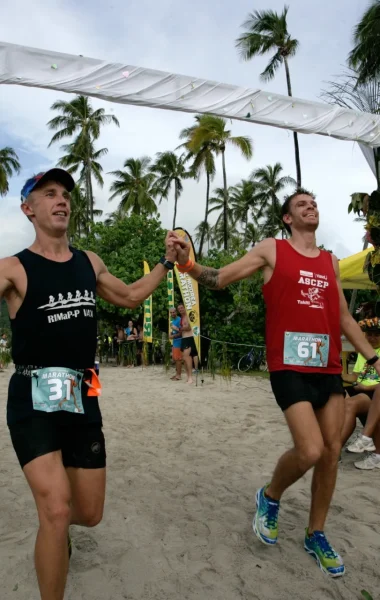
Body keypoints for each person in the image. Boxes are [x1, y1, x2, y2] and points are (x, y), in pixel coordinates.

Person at [169, 189, 380, 577]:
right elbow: (221, 278)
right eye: (301, 204)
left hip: (328, 367)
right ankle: (270, 496)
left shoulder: (331, 262)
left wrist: (375, 359)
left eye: (314, 202)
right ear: (287, 218)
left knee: (332, 452)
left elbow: (345, 319)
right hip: (288, 367)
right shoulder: (272, 250)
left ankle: (316, 533)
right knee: (312, 449)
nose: (310, 206)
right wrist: (188, 265)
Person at [0, 168, 177, 600]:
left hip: (83, 395)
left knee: (89, 513)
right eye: (49, 194)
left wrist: (167, 263)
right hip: (32, 398)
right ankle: (53, 532)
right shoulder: (14, 269)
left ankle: (58, 533)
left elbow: (132, 296)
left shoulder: (89, 262)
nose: (61, 200)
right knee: (57, 510)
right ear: (29, 208)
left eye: (65, 195)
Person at [341, 326, 380, 455]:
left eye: (376, 335)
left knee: (351, 404)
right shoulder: (364, 353)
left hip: (374, 393)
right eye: (369, 335)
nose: (372, 338)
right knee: (336, 396)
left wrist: (365, 387)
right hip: (362, 391)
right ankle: (332, 446)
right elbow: (355, 377)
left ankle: (333, 450)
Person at [178, 303, 199, 384]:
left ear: (185, 307)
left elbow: (189, 327)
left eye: (181, 308)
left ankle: (190, 377)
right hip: (184, 338)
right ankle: (188, 376)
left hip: (189, 338)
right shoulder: (182, 318)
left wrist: (179, 329)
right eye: (179, 308)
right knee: (184, 358)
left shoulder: (188, 315)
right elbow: (183, 329)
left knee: (187, 358)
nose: (180, 309)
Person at [169, 307, 182, 380]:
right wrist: (170, 334)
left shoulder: (179, 320)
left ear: (176, 312)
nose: (172, 314)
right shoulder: (172, 321)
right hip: (175, 342)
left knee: (178, 359)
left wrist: (173, 336)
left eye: (173, 312)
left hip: (179, 341)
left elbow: (181, 332)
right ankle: (177, 374)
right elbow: (173, 331)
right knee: (175, 359)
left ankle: (179, 375)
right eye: (171, 312)